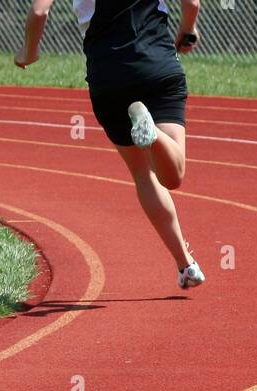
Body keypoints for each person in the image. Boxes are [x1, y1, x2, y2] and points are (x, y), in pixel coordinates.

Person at [15, 1, 205, 289]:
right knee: (172, 176)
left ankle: (186, 264)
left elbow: (39, 12)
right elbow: (191, 3)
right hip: (157, 66)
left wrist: (28, 52)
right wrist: (188, 28)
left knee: (143, 174)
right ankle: (152, 133)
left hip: (109, 78)